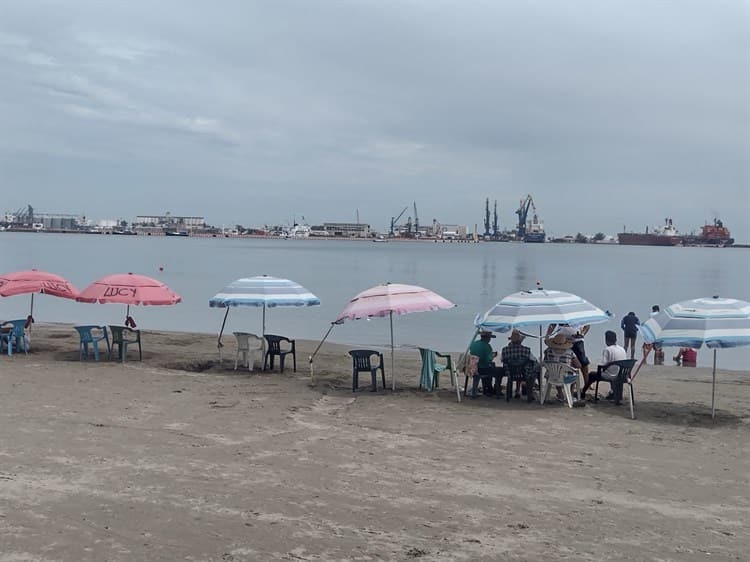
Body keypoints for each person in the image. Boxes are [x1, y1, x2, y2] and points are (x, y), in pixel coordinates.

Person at [580, 330, 627, 400]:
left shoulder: (607, 350)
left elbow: (603, 365)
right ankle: (614, 393)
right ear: (616, 339)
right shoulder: (622, 349)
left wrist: (600, 370)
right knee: (612, 369)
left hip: (612, 376)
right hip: (622, 375)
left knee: (591, 375)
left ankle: (583, 393)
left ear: (606, 340)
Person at [501, 329, 540, 399]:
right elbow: (534, 360)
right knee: (534, 370)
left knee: (518, 367)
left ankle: (516, 391)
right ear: (520, 341)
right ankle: (530, 392)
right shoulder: (526, 350)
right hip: (524, 373)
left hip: (510, 373)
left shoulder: (505, 350)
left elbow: (502, 360)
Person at [548, 323, 590, 388]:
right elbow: (553, 324)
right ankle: (561, 383)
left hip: (577, 340)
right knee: (559, 361)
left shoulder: (579, 313)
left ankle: (587, 383)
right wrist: (548, 335)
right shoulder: (560, 314)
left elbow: (587, 325)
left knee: (583, 361)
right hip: (561, 340)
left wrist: (582, 333)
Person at [543, 332, 581, 401]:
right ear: (564, 343)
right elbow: (579, 365)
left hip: (551, 376)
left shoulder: (548, 351)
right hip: (565, 377)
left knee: (556, 371)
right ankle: (570, 395)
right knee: (575, 373)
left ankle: (560, 394)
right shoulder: (570, 352)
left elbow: (545, 362)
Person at [468, 331, 504, 398]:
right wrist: (493, 355)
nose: (490, 339)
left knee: (488, 367)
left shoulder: (474, 343)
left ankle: (486, 389)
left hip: (472, 367)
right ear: (487, 338)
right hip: (481, 369)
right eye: (489, 338)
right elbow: (488, 360)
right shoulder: (487, 346)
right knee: (497, 370)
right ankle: (493, 389)